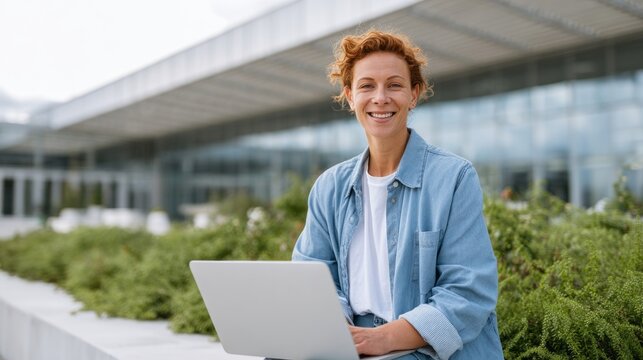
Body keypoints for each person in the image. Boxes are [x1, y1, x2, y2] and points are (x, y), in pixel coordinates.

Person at [292, 30, 503, 359]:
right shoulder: (329, 187)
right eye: (366, 86)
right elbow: (312, 277)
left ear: (413, 94)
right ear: (350, 97)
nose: (380, 97)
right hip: (354, 342)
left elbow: (468, 292)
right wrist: (341, 336)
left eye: (394, 85)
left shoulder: (454, 178)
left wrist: (383, 340)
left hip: (425, 347)